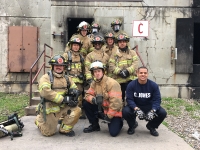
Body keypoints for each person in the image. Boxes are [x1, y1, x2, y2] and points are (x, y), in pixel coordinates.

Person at [35, 54, 81, 137]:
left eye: (61, 65)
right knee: (48, 133)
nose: (59, 67)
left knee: (77, 110)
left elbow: (74, 87)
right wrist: (63, 99)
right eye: (56, 65)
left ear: (64, 67)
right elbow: (45, 91)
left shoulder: (67, 78)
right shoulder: (46, 78)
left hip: (63, 107)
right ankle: (39, 120)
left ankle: (64, 130)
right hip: (50, 107)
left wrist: (75, 93)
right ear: (52, 66)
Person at [122, 66, 167, 136]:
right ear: (137, 74)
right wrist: (136, 109)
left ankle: (151, 126)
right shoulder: (131, 85)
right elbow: (129, 99)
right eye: (141, 73)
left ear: (147, 74)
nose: (143, 74)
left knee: (162, 113)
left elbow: (157, 100)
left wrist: (153, 110)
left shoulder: (153, 85)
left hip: (149, 106)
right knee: (125, 111)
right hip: (136, 106)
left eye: (145, 73)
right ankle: (132, 125)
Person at [83, 61, 123, 137]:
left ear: (103, 72)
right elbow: (87, 95)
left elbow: (116, 103)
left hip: (113, 111)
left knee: (113, 133)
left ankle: (120, 121)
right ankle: (95, 125)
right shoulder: (94, 83)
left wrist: (109, 116)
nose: (97, 73)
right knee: (86, 103)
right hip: (101, 109)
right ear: (93, 74)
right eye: (95, 72)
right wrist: (93, 100)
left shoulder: (112, 83)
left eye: (99, 71)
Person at [109, 33, 138, 103]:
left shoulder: (132, 53)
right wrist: (119, 72)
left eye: (124, 41)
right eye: (120, 42)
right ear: (118, 43)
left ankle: (131, 110)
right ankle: (121, 111)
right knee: (119, 99)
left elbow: (135, 63)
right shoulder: (114, 54)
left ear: (126, 42)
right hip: (119, 81)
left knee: (131, 98)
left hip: (130, 80)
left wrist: (128, 71)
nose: (122, 43)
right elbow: (111, 65)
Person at [63, 37, 86, 119]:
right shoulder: (66, 55)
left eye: (77, 45)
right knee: (68, 97)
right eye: (74, 45)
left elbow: (84, 69)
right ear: (71, 46)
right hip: (69, 81)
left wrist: (84, 77)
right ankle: (64, 115)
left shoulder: (81, 57)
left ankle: (78, 114)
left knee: (79, 98)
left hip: (79, 82)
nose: (76, 47)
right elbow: (62, 68)